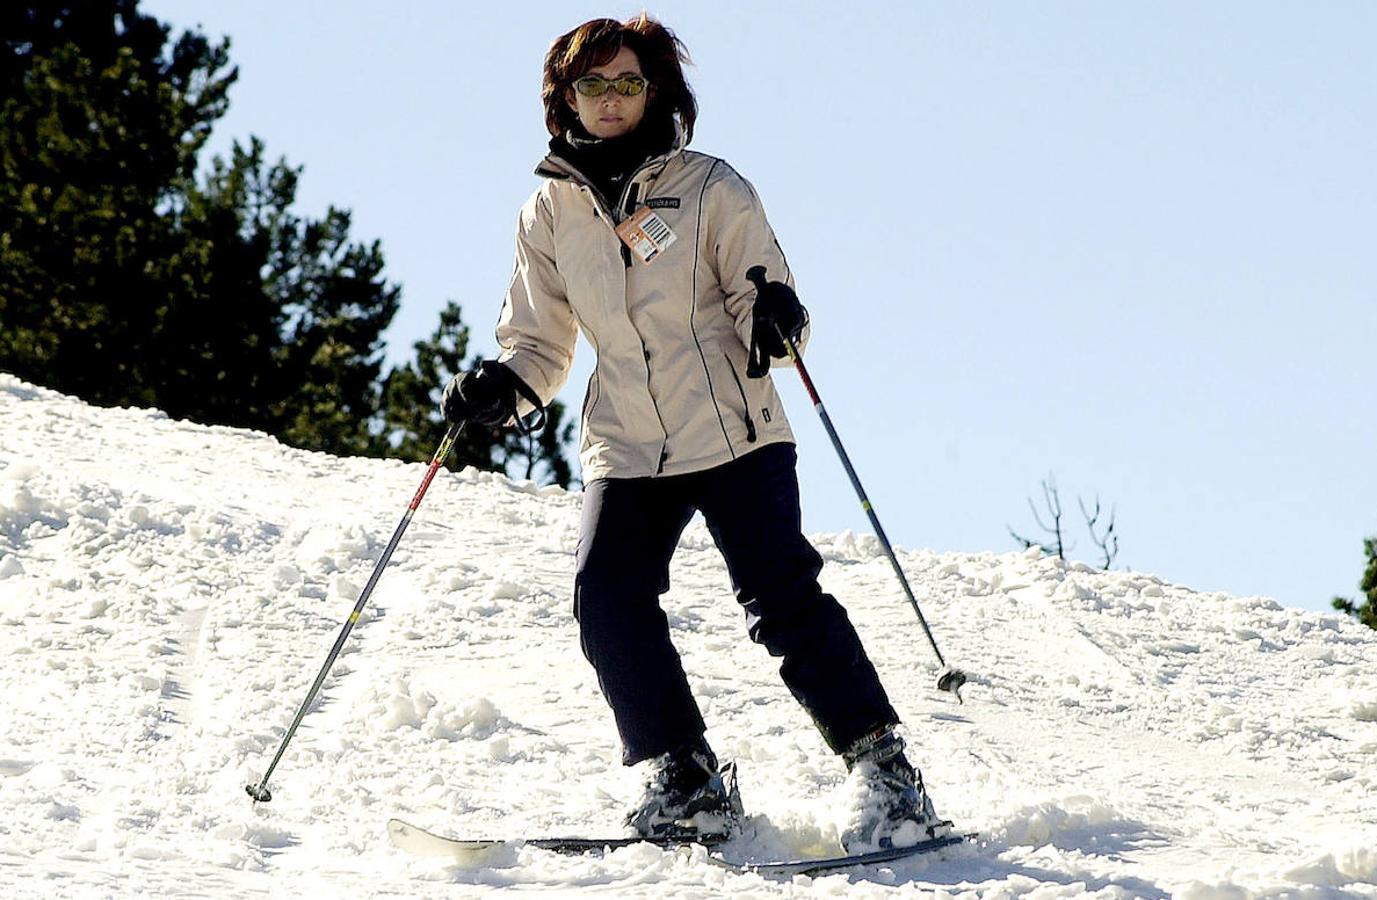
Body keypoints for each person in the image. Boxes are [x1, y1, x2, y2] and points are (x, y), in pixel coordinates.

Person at [440, 14, 944, 851]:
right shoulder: (548, 210)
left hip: (734, 431)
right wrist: (503, 387)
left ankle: (884, 771)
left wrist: (777, 321)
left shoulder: (711, 188)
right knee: (606, 600)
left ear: (655, 91)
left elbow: (765, 295)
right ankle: (686, 775)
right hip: (629, 442)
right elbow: (539, 342)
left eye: (626, 83)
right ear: (564, 98)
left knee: (781, 600)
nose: (609, 100)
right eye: (591, 85)